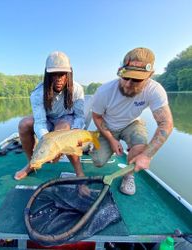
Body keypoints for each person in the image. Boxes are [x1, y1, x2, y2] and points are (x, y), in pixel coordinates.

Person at [90, 47, 174, 195]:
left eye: (136, 80)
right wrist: (111, 139)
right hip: (108, 126)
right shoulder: (104, 91)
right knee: (98, 161)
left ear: (150, 75)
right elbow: (96, 116)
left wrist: (147, 155)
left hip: (132, 123)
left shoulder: (155, 90)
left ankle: (128, 176)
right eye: (125, 77)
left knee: (140, 146)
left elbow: (166, 123)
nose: (128, 84)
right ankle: (92, 143)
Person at [14, 51, 85, 180]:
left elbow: (80, 116)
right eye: (54, 74)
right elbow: (40, 122)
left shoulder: (77, 89)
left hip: (65, 119)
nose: (58, 78)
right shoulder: (38, 93)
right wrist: (48, 145)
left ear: (69, 74)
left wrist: (74, 134)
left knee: (63, 128)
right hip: (47, 119)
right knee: (24, 124)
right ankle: (32, 163)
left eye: (62, 74)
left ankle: (79, 173)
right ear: (47, 75)